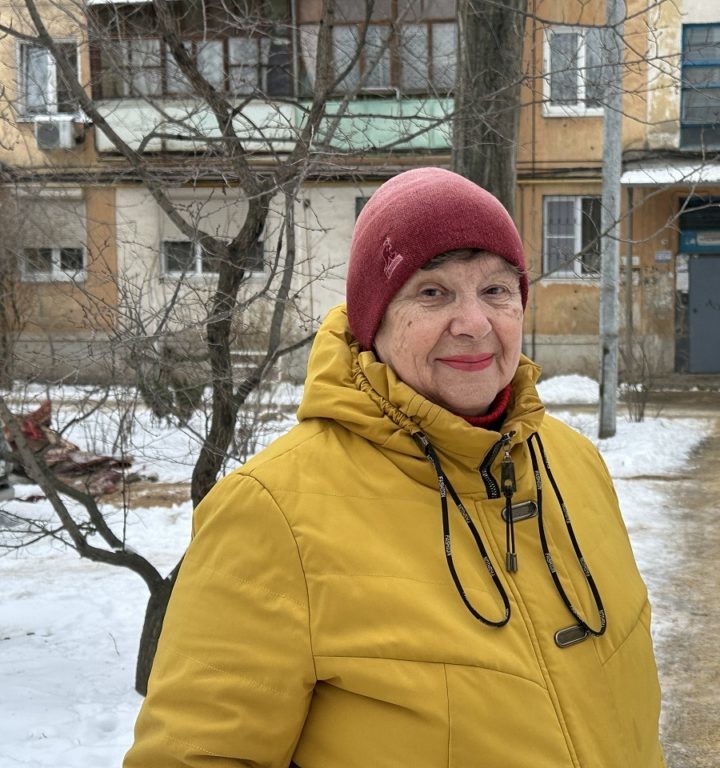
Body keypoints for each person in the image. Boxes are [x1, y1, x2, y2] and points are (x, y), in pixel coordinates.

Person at [124, 167, 665, 767]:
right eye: (432, 292)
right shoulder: (273, 513)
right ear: (372, 319)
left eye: (496, 290)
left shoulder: (574, 464)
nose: (474, 323)